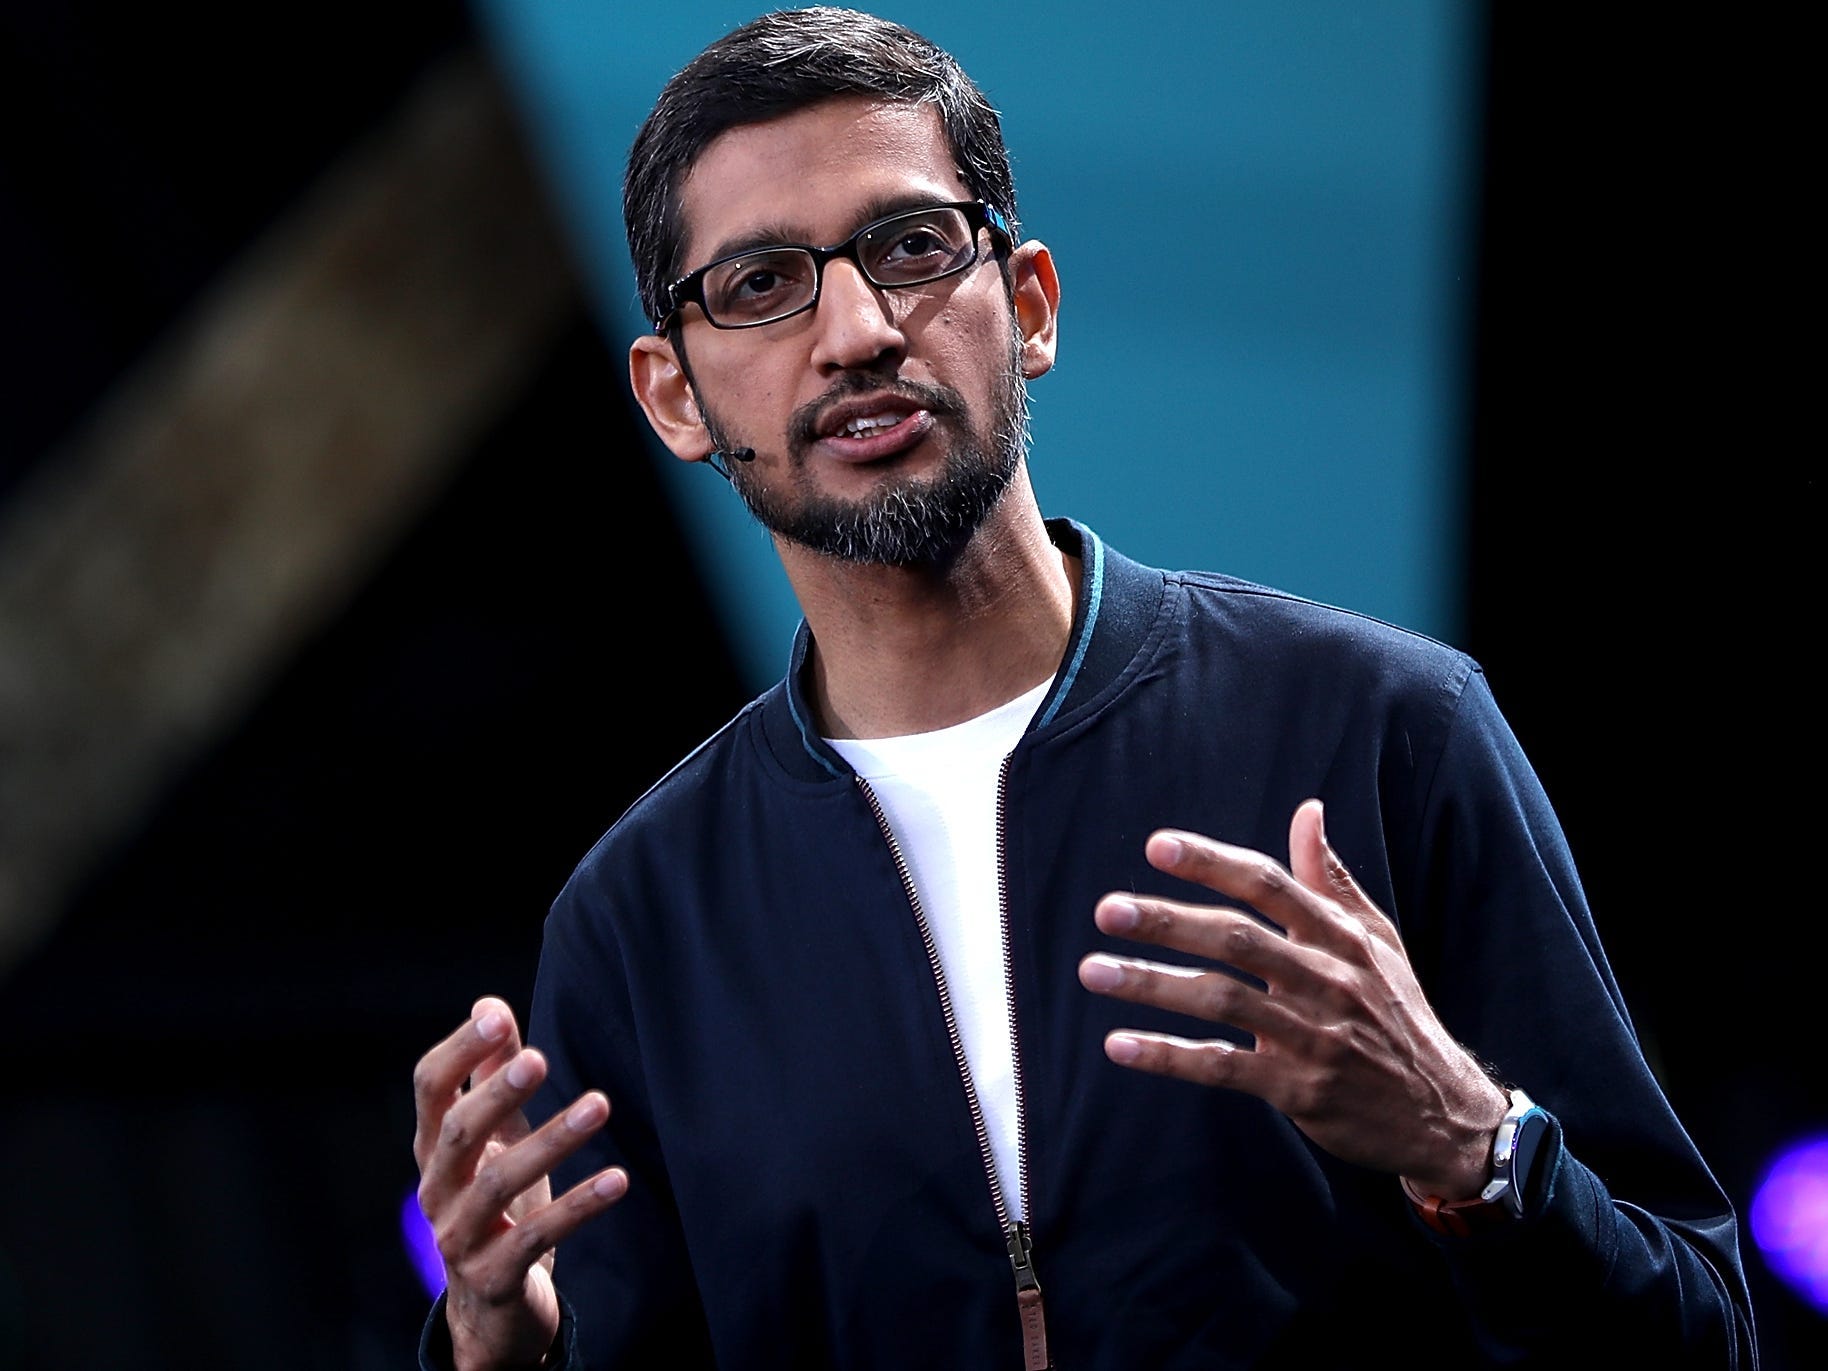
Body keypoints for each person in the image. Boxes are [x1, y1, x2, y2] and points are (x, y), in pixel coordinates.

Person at [411, 9, 1758, 1369]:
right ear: (675, 396)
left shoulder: (1379, 729)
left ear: (1032, 304)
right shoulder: (641, 922)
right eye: (763, 285)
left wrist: (1473, 1151)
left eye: (913, 247)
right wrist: (498, 1346)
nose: (860, 331)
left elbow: (1700, 1336)